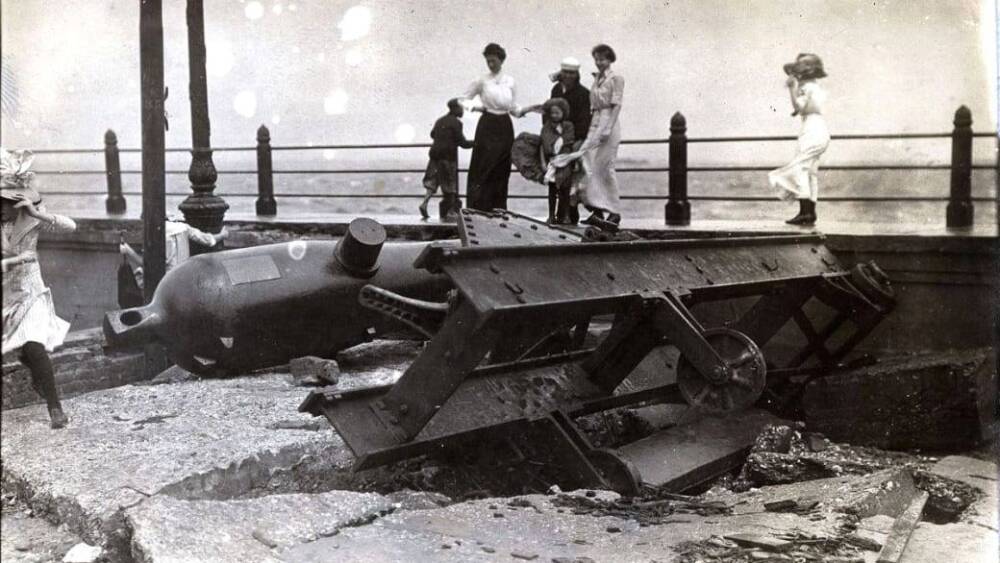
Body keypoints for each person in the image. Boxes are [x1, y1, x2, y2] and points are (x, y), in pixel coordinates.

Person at [1, 148, 76, 429]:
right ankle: (36, 375)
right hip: (6, 296)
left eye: (7, 201)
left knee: (34, 345)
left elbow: (71, 226)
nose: (2, 207)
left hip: (32, 293)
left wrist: (38, 214)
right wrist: (14, 260)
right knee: (22, 351)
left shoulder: (31, 220)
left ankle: (55, 408)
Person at [550, 45, 625, 229]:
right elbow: (567, 80)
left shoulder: (616, 78)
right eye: (597, 59)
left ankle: (615, 212)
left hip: (608, 122)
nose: (599, 62)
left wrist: (608, 128)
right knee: (587, 165)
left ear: (610, 60)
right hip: (595, 122)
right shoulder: (597, 78)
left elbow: (616, 105)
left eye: (603, 59)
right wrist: (557, 75)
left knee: (606, 167)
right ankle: (597, 210)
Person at [460, 42, 527, 212]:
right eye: (488, 61)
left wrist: (526, 110)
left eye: (493, 61)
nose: (491, 64)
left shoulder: (510, 81)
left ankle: (498, 208)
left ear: (501, 60)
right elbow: (463, 99)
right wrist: (475, 107)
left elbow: (513, 107)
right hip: (487, 125)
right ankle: (479, 208)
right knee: (483, 167)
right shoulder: (481, 80)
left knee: (501, 168)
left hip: (505, 125)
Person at [768, 53, 829, 225]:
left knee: (801, 169)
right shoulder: (816, 87)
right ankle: (810, 212)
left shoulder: (804, 88)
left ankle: (804, 212)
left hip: (810, 129)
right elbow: (809, 107)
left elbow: (799, 107)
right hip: (821, 129)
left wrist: (791, 89)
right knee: (811, 172)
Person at [119, 218, 227, 293]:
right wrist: (222, 235)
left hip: (165, 282)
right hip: (185, 276)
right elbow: (208, 240)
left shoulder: (156, 233)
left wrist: (128, 251)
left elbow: (150, 265)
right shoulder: (183, 227)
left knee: (139, 277)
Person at [420, 98, 474, 222]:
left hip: (435, 154)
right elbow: (463, 142)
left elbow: (432, 134)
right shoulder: (456, 123)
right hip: (447, 156)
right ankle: (450, 212)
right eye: (461, 108)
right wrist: (476, 143)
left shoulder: (440, 120)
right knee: (450, 183)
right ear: (455, 109)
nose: (463, 111)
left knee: (432, 180)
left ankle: (424, 203)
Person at [538, 98, 577, 224]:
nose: (554, 115)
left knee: (565, 191)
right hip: (551, 162)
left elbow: (569, 141)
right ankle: (551, 215)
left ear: (563, 112)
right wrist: (543, 163)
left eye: (557, 112)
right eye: (552, 113)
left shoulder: (568, 126)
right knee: (552, 191)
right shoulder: (546, 127)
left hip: (565, 162)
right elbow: (543, 145)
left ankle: (565, 215)